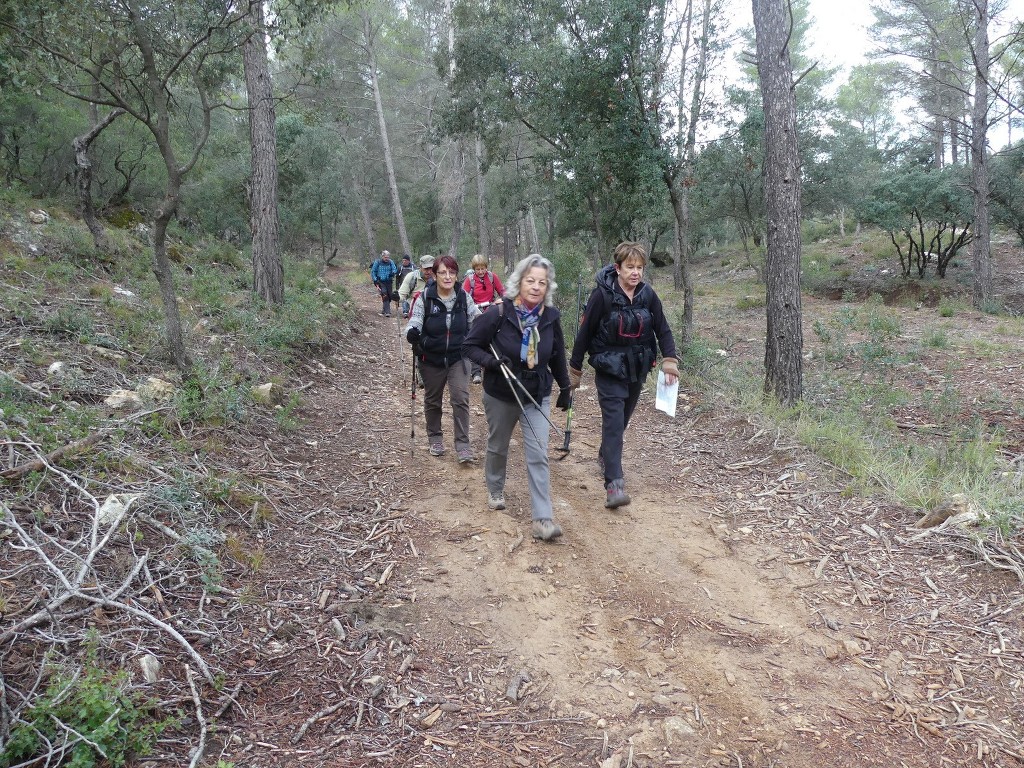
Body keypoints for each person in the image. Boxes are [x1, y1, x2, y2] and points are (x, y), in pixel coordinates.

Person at [463, 254, 572, 542]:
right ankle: (495, 488)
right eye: (530, 280)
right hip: (501, 392)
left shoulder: (550, 317)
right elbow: (470, 346)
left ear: (548, 287)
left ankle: (542, 519)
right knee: (498, 446)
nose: (536, 287)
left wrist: (566, 388)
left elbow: (558, 354)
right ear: (519, 282)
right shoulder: (498, 314)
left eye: (542, 282)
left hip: (537, 393)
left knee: (538, 454)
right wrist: (490, 362)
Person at [568, 241, 678, 509]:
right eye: (630, 267)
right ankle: (614, 485)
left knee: (623, 419)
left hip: (637, 368)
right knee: (614, 422)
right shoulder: (602, 296)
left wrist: (669, 361)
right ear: (617, 268)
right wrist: (574, 370)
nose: (635, 272)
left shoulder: (648, 295)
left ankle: (606, 455)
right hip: (608, 368)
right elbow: (583, 336)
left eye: (640, 267)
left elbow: (662, 329)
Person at [405, 255, 481, 463]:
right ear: (435, 275)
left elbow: (478, 318)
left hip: (458, 357)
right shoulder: (425, 297)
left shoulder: (464, 297)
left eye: (452, 272)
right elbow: (415, 321)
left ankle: (463, 445)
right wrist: (412, 332)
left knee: (460, 398)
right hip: (431, 357)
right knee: (432, 399)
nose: (448, 276)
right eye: (443, 272)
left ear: (457, 275)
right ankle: (435, 437)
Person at [462, 254, 506, 385]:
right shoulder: (470, 280)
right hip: (475, 312)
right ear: (474, 269)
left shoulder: (492, 277)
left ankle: (494, 366)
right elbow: (463, 296)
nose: (480, 272)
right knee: (475, 340)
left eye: (483, 269)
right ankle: (476, 372)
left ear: (486, 268)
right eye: (477, 269)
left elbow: (502, 291)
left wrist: (501, 300)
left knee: (495, 339)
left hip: (491, 311)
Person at [370, 250, 399, 316]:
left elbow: (394, 269)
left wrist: (392, 273)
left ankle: (384, 309)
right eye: (385, 257)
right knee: (384, 294)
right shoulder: (377, 262)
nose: (387, 259)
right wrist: (375, 280)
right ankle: (387, 312)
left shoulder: (391, 262)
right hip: (380, 281)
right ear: (382, 256)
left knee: (389, 296)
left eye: (388, 257)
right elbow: (373, 271)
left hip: (389, 281)